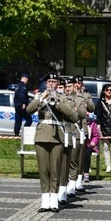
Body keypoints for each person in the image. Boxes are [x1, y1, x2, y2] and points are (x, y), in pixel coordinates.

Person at [26, 73, 77, 213]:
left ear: (58, 84)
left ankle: (54, 201)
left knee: (55, 169)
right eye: (49, 81)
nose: (51, 84)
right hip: (42, 135)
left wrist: (59, 103)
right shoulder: (39, 97)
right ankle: (44, 201)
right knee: (43, 170)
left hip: (57, 137)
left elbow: (74, 116)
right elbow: (28, 110)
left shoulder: (63, 98)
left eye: (54, 81)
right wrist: (41, 99)